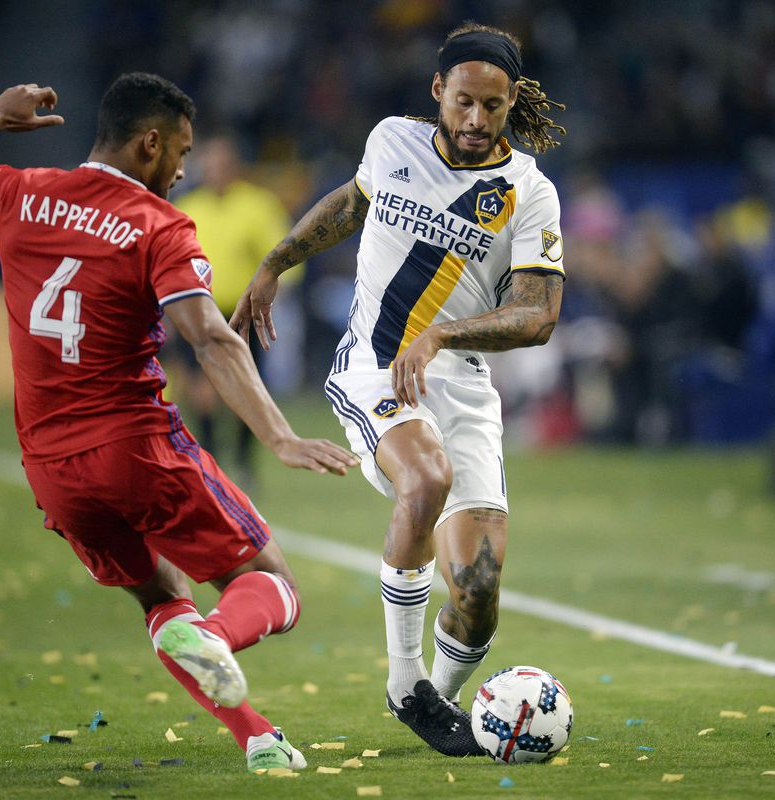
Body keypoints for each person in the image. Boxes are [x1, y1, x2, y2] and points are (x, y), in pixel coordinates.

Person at [0, 74, 358, 772]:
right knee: (272, 584)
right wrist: (280, 436)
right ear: (149, 143)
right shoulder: (157, 223)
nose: (183, 168)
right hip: (133, 447)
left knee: (162, 599)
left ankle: (258, 740)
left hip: (51, 470)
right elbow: (209, 336)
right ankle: (218, 639)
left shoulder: (18, 192)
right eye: (180, 151)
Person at [231, 22, 566, 756]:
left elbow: (540, 315)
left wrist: (448, 334)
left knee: (477, 592)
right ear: (437, 92)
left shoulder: (528, 193)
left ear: (511, 104)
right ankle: (407, 681)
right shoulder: (393, 141)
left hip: (462, 383)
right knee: (427, 478)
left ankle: (436, 706)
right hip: (375, 367)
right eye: (465, 102)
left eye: (494, 107)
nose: (476, 121)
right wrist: (275, 263)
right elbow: (352, 205)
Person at [173, 134, 300, 490]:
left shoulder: (258, 206)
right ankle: (210, 459)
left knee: (246, 389)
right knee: (203, 390)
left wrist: (277, 292)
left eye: (223, 165)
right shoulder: (189, 207)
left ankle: (244, 463)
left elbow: (283, 256)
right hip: (197, 309)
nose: (216, 172)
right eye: (210, 165)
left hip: (245, 313)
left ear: (236, 167)